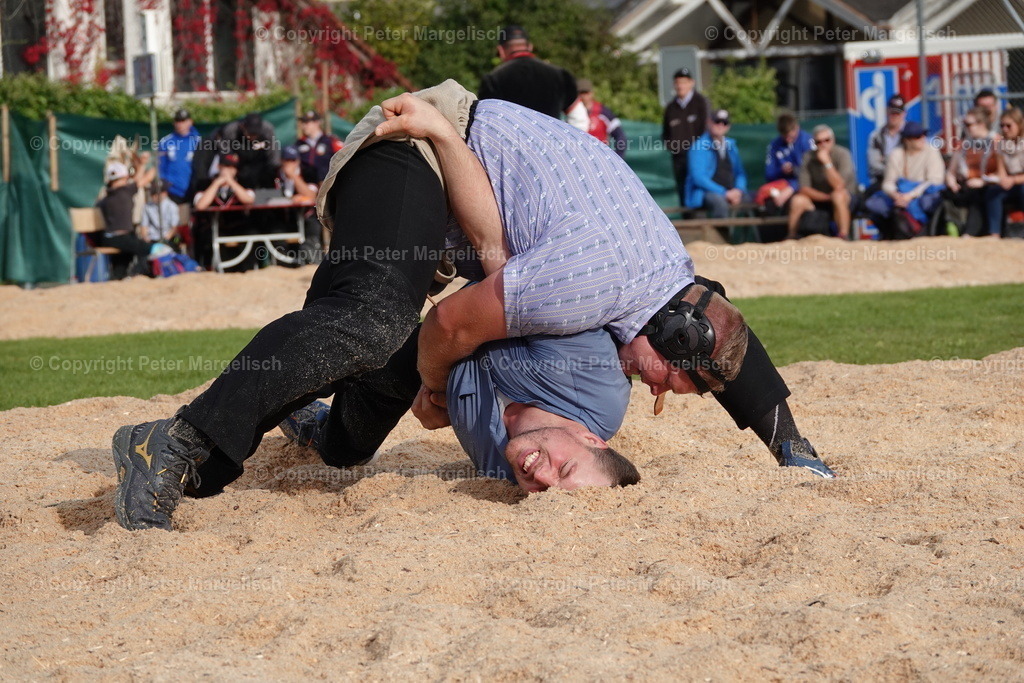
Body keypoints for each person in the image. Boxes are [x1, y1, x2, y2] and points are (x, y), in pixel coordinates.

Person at [110, 81, 832, 533]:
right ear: (670, 331)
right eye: (679, 379)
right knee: (371, 322)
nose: (669, 391)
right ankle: (172, 441)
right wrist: (431, 383)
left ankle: (299, 419)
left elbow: (720, 337)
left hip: (447, 185)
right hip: (413, 146)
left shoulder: (662, 271)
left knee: (351, 433)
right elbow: (452, 324)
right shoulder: (593, 285)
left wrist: (791, 447)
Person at [279, 325, 640, 492]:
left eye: (545, 494)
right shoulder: (597, 382)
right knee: (350, 337)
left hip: (419, 355)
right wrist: (436, 380)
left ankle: (307, 420)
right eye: (565, 468)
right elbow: (523, 288)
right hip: (456, 306)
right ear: (591, 438)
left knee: (343, 451)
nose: (540, 477)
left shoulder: (501, 471)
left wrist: (445, 405)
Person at [864, 121, 945, 239]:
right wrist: (895, 195)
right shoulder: (896, 154)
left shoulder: (931, 151)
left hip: (922, 193)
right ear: (907, 140)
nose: (922, 139)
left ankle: (929, 234)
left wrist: (910, 195)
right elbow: (888, 182)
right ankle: (889, 235)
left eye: (923, 135)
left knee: (929, 202)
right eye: (917, 137)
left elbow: (935, 181)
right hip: (900, 195)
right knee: (873, 204)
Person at [477, 25, 577, 120]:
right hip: (551, 137)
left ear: (501, 50)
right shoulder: (561, 75)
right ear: (530, 46)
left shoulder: (493, 80)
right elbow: (578, 118)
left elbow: (486, 119)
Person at [787, 125, 857, 239]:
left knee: (838, 196)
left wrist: (827, 163)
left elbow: (839, 186)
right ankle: (791, 236)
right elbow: (804, 188)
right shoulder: (808, 157)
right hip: (821, 198)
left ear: (833, 140)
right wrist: (826, 197)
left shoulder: (843, 154)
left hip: (845, 199)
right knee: (797, 200)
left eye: (827, 140)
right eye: (818, 142)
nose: (823, 144)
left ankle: (843, 235)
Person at [945, 107, 1002, 237]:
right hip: (967, 185)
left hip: (988, 185)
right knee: (944, 194)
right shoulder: (964, 143)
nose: (966, 127)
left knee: (981, 194)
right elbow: (951, 171)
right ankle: (949, 229)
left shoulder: (996, 141)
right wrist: (952, 182)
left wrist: (983, 182)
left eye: (969, 124)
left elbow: (1001, 173)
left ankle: (970, 232)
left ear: (981, 124)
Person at [684, 109, 749, 218]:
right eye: (717, 121)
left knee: (753, 200)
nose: (720, 125)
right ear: (709, 122)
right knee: (720, 203)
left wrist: (738, 190)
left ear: (728, 126)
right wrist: (724, 193)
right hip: (707, 193)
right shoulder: (699, 146)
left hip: (731, 191)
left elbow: (740, 173)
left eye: (725, 123)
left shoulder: (731, 146)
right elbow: (698, 178)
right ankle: (721, 235)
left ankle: (749, 235)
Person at [95, 160, 153, 279]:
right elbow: (144, 179)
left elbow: (137, 181)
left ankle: (118, 278)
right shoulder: (125, 191)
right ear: (124, 178)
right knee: (147, 248)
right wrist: (159, 163)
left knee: (122, 261)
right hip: (120, 237)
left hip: (108, 238)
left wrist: (141, 165)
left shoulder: (106, 196)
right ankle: (137, 275)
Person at [662, 67, 710, 206]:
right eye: (677, 82)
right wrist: (673, 147)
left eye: (683, 82)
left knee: (699, 190)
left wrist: (698, 151)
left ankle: (703, 225)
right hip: (679, 158)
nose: (680, 86)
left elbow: (706, 129)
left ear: (691, 83)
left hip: (699, 157)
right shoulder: (671, 108)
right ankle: (688, 225)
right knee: (683, 191)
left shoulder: (701, 102)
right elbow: (666, 133)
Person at [758, 113, 814, 213]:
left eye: (790, 135)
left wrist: (792, 187)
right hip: (781, 186)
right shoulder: (775, 145)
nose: (788, 139)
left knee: (794, 203)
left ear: (797, 127)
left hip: (806, 187)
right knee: (768, 203)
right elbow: (769, 174)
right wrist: (782, 170)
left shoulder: (808, 141)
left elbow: (813, 173)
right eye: (785, 136)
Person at [220, 112, 280, 189]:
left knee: (267, 172)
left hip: (260, 157)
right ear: (243, 127)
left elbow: (273, 151)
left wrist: (274, 169)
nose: (253, 137)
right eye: (250, 134)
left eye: (256, 134)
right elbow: (225, 150)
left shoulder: (267, 129)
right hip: (239, 155)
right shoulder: (231, 130)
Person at [574, 79, 627, 159]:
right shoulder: (572, 113)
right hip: (580, 159)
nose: (583, 96)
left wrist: (617, 158)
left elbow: (620, 137)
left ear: (591, 93)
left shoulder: (603, 112)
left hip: (600, 160)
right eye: (580, 93)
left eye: (585, 93)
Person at [158, 108, 201, 204]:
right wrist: (165, 186)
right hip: (172, 190)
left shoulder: (199, 141)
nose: (180, 124)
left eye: (183, 121)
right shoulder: (166, 142)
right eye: (177, 121)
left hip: (193, 189)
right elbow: (160, 166)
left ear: (190, 122)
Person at [866, 95, 906, 191]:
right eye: (892, 113)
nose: (894, 116)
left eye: (898, 113)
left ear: (904, 114)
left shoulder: (910, 134)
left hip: (907, 181)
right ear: (887, 111)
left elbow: (913, 162)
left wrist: (885, 159)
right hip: (882, 181)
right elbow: (873, 165)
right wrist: (894, 169)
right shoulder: (876, 136)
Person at [995, 107, 1024, 229]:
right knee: (993, 193)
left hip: (1020, 182)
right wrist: (1003, 180)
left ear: (1019, 125)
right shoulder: (1002, 145)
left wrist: (1013, 180)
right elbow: (1001, 170)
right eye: (1002, 126)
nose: (1005, 129)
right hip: (1011, 182)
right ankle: (994, 233)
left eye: (1008, 125)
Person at [296, 110, 342, 183]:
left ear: (317, 123)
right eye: (303, 123)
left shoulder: (330, 141)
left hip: (327, 183)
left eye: (307, 122)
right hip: (307, 184)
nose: (303, 126)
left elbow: (343, 158)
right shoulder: (299, 143)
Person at [141, 179, 180, 243]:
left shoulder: (172, 206)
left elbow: (174, 228)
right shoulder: (147, 207)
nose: (155, 196)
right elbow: (144, 226)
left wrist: (164, 241)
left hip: (167, 239)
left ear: (165, 193)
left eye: (158, 193)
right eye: (153, 193)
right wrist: (146, 239)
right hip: (152, 240)